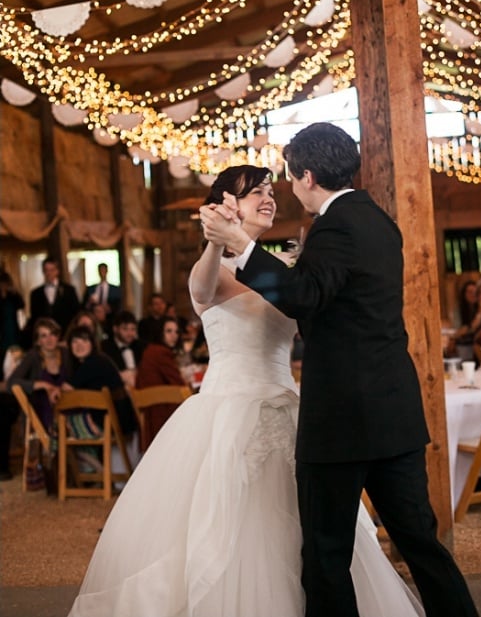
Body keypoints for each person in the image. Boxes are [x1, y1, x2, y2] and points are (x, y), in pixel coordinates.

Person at [66, 164, 425, 617]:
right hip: (227, 415)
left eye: (270, 189)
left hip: (291, 412)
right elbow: (199, 287)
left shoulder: (283, 269)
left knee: (312, 533)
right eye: (255, 191)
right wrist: (219, 237)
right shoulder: (213, 270)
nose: (268, 197)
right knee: (226, 530)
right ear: (227, 204)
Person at [200, 124, 479, 617]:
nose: (285, 190)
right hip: (394, 413)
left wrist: (241, 246)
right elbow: (327, 300)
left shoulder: (335, 227)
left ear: (307, 175)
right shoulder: (377, 221)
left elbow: (303, 296)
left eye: (286, 178)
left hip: (341, 422)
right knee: (422, 546)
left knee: (327, 555)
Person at [7, 318, 71, 435]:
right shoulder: (33, 356)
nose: (49, 339)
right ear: (38, 341)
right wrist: (41, 385)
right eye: (43, 336)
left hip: (65, 407)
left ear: (58, 337)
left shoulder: (66, 354)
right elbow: (11, 383)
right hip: (39, 413)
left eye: (52, 334)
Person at [136, 316, 187, 450]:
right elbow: (180, 385)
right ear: (160, 333)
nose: (173, 336)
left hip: (151, 411)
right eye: (169, 331)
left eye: (176, 332)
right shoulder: (161, 352)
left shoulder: (150, 350)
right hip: (161, 411)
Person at [28, 257, 81, 337]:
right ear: (43, 271)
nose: (49, 273)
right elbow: (35, 318)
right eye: (46, 270)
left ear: (57, 271)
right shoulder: (36, 293)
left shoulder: (69, 290)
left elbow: (75, 313)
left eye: (52, 270)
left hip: (65, 334)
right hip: (44, 336)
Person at [102, 310, 144, 390]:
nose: (130, 333)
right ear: (115, 329)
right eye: (125, 329)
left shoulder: (140, 346)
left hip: (140, 392)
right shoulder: (104, 347)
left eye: (133, 329)